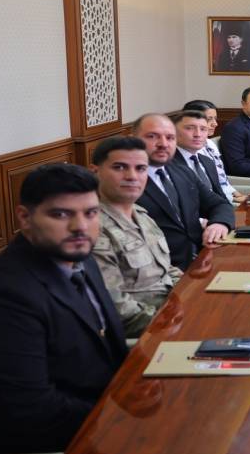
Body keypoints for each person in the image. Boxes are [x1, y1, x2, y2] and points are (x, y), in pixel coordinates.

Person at [0, 164, 127, 454]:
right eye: (60, 214)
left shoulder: (80, 258)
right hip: (50, 447)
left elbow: (107, 346)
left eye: (90, 213)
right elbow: (31, 412)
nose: (80, 226)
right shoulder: (1, 297)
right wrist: (123, 416)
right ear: (25, 218)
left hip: (98, 414)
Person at [90, 136, 184, 338]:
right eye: (119, 167)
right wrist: (176, 320)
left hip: (175, 314)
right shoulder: (92, 227)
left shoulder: (142, 214)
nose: (132, 176)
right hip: (148, 334)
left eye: (141, 169)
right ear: (95, 172)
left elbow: (166, 270)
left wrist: (193, 296)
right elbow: (115, 306)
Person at [133, 113, 234, 271]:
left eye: (170, 138)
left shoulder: (182, 172)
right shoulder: (126, 182)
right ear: (134, 139)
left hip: (203, 259)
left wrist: (219, 224)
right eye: (152, 136)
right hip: (163, 271)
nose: (163, 144)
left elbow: (219, 204)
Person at [182, 99, 245, 204]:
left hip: (223, 195)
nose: (215, 124)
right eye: (209, 119)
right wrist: (231, 199)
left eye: (215, 119)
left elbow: (220, 177)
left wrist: (235, 193)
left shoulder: (210, 143)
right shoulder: (190, 150)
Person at [170, 110, 226, 200]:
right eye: (189, 128)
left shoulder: (207, 161)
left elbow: (221, 198)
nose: (198, 134)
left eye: (203, 129)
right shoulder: (168, 164)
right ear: (173, 132)